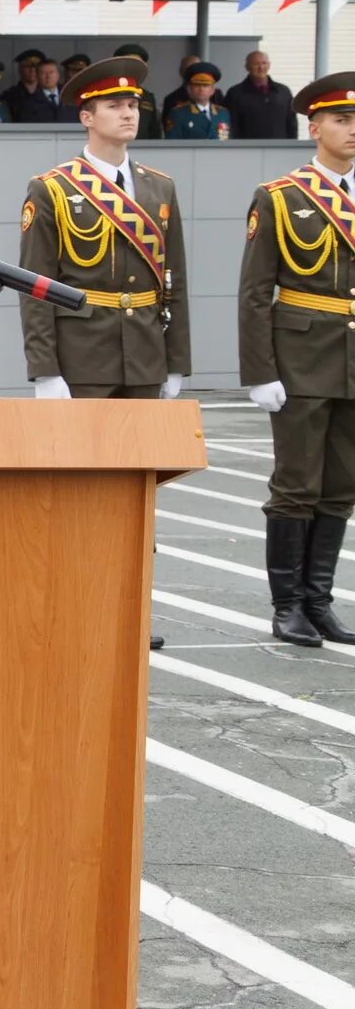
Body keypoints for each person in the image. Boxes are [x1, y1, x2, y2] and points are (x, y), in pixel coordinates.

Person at [18, 55, 188, 651]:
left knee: (138, 494)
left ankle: (131, 612)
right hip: (82, 358)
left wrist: (177, 362)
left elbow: (175, 281)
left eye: (134, 105)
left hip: (143, 355)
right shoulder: (53, 189)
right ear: (85, 115)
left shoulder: (159, 188)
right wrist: (45, 372)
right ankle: (72, 606)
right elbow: (35, 290)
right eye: (114, 105)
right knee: (79, 493)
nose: (128, 113)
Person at [238, 71, 355, 648]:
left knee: (341, 486)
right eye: (341, 120)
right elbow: (256, 291)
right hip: (303, 358)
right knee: (296, 485)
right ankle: (287, 605)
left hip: (353, 363)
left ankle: (319, 601)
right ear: (315, 128)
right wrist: (260, 371)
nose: (352, 130)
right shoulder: (282, 196)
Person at [226, 51, 297, 141]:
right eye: (256, 64)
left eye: (264, 63)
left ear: (269, 65)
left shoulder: (283, 92)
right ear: (247, 67)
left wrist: (292, 146)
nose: (261, 68)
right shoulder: (235, 93)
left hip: (279, 148)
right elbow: (231, 126)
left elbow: (292, 123)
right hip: (247, 149)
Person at [164, 62, 232, 140]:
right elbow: (172, 145)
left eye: (205, 85)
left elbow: (228, 143)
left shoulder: (223, 114)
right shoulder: (178, 114)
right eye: (197, 85)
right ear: (189, 89)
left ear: (213, 90)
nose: (201, 89)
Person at [114, 43, 165, 140]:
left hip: (143, 151)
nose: (133, 69)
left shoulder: (147, 97)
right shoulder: (105, 94)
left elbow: (154, 133)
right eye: (129, 64)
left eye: (138, 65)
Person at [11, 59, 64, 123]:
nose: (48, 76)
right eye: (43, 73)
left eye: (51, 72)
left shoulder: (70, 100)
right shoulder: (27, 105)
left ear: (58, 75)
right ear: (37, 76)